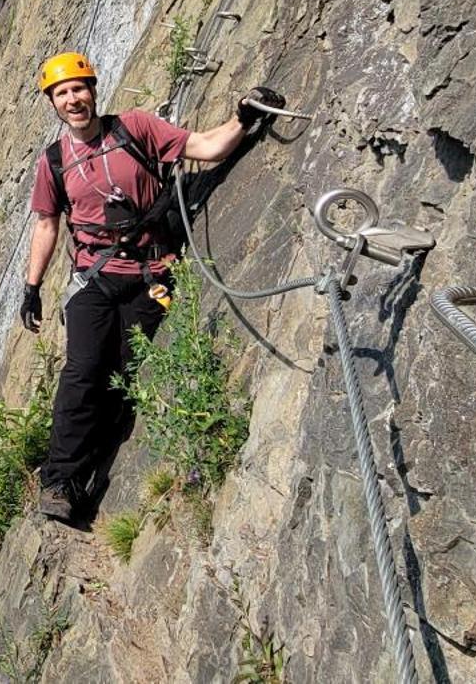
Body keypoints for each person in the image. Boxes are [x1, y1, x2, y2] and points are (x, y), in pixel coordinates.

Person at [17, 50, 284, 524]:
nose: (73, 99)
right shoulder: (55, 161)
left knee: (121, 372)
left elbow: (204, 147)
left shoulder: (136, 128)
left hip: (150, 274)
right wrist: (31, 286)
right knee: (81, 372)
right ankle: (59, 480)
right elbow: (46, 225)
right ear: (53, 104)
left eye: (79, 88)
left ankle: (88, 463)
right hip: (92, 279)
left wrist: (243, 118)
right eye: (62, 94)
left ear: (93, 90)